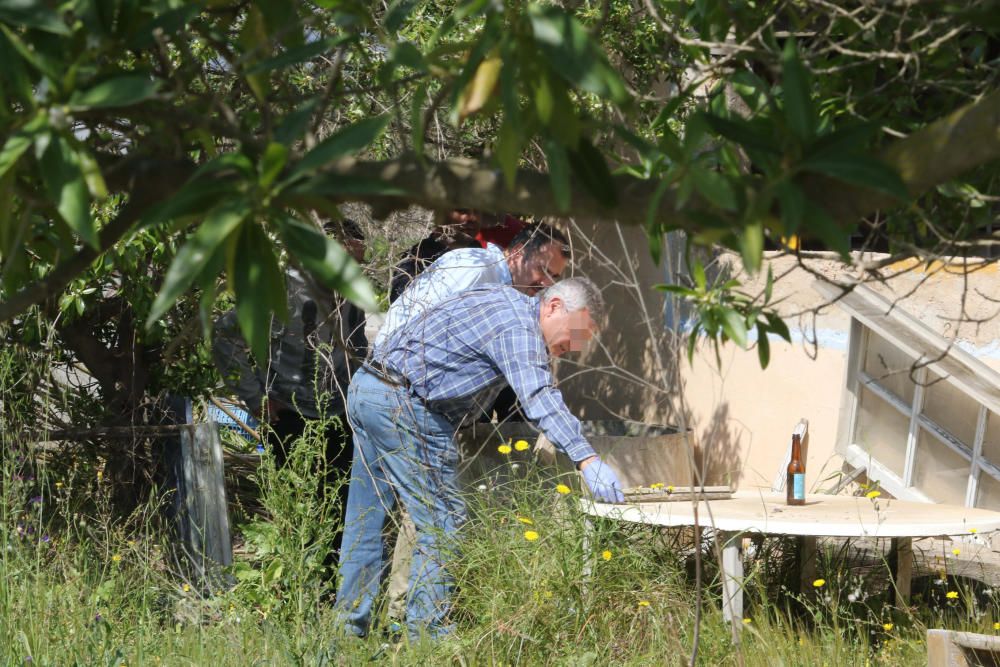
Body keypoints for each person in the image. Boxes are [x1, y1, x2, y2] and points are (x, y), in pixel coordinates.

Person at [336, 277, 625, 640]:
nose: (575, 347)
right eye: (576, 333)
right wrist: (587, 459)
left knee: (366, 521)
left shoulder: (498, 299)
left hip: (370, 387)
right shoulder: (518, 327)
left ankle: (345, 637)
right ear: (553, 307)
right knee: (443, 521)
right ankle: (429, 637)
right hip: (404, 406)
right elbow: (539, 396)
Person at [212, 219, 368, 557]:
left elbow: (357, 347)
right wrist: (256, 399)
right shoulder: (278, 291)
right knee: (296, 506)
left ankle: (331, 588)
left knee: (339, 506)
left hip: (339, 417)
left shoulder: (351, 295)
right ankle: (296, 584)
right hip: (289, 416)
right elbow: (226, 335)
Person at [374, 222, 571, 354]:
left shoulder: (513, 289)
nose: (547, 283)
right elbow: (421, 330)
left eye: (553, 277)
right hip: (394, 380)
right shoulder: (477, 270)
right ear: (518, 253)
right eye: (543, 270)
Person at [389, 209, 482, 303]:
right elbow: (401, 308)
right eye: (463, 211)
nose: (473, 218)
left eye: (477, 211)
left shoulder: (479, 251)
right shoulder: (417, 257)